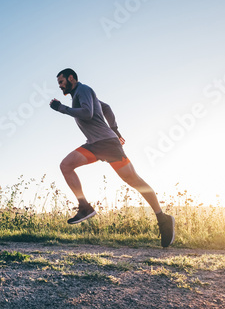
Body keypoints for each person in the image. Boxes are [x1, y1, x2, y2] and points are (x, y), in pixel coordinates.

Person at [49, 68, 175, 247]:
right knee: (66, 165)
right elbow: (105, 108)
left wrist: (62, 109)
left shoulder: (83, 90)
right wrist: (115, 129)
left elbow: (87, 113)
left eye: (61, 82)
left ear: (71, 78)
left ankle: (163, 218)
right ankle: (84, 206)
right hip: (94, 144)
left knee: (135, 181)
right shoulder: (80, 93)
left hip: (107, 144)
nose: (60, 86)